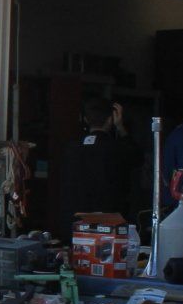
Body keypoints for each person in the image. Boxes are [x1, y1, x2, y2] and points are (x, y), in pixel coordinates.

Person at [57, 96, 138, 230]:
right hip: (108, 224)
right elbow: (137, 158)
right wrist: (121, 128)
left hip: (75, 224)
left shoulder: (71, 149)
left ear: (85, 119)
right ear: (111, 119)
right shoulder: (118, 149)